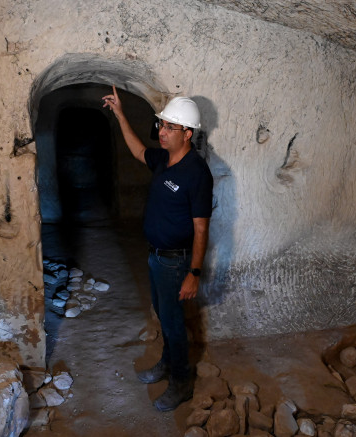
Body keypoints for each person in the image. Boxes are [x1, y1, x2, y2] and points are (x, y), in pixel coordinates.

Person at [102, 86, 213, 412]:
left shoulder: (197, 173)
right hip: (155, 257)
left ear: (188, 134)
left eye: (169, 127)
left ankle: (181, 383)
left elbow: (201, 228)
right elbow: (138, 151)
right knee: (165, 318)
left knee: (174, 323)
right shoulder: (164, 159)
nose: (161, 132)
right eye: (161, 125)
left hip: (175, 263)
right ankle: (167, 364)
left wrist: (194, 273)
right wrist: (121, 114)